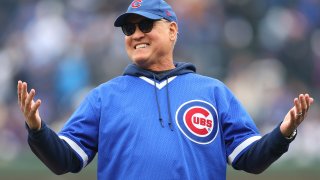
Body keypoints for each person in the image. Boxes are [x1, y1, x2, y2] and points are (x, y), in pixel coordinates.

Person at [17, 0, 314, 179]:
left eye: (145, 24)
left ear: (172, 30)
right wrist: (38, 129)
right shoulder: (103, 98)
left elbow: (250, 159)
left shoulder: (213, 92)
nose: (136, 34)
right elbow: (64, 161)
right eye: (128, 29)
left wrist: (283, 133)